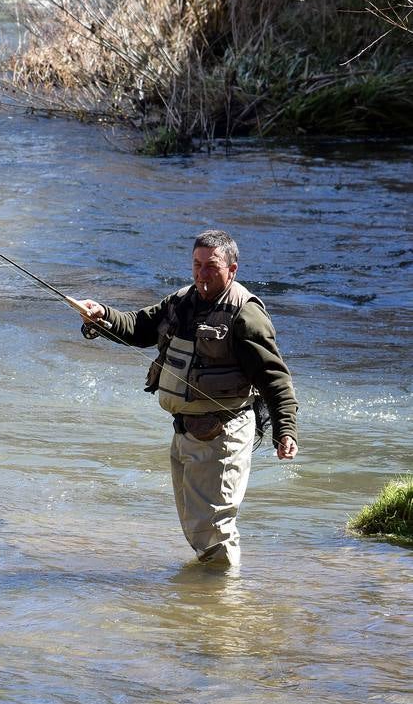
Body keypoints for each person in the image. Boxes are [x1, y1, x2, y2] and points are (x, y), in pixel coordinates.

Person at [75, 229, 298, 566]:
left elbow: (275, 379)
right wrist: (102, 315)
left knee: (214, 530)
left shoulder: (246, 315)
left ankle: (224, 604)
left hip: (223, 435)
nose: (201, 274)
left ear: (232, 270)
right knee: (198, 530)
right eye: (196, 265)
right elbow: (139, 327)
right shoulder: (181, 301)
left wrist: (286, 431)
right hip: (186, 432)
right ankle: (206, 601)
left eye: (211, 267)